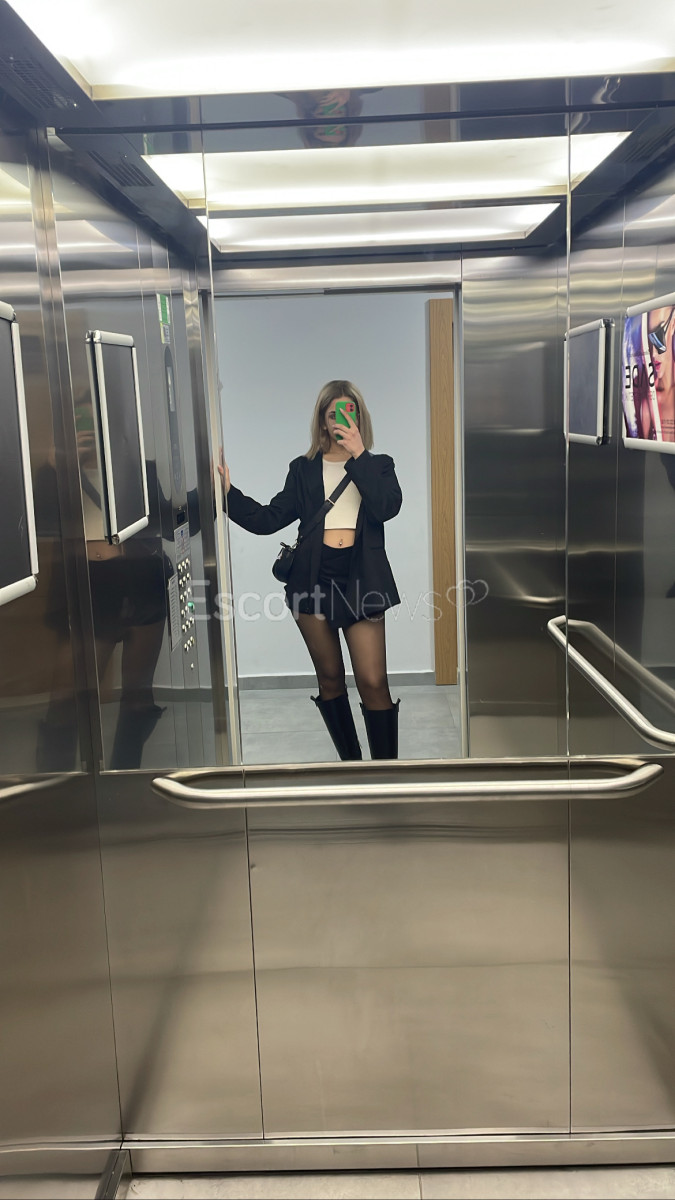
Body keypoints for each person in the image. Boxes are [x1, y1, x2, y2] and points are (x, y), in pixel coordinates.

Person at [220, 380, 402, 760]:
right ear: (322, 421)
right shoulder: (302, 470)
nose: (341, 420)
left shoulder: (379, 465)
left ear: (360, 418)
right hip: (312, 580)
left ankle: (387, 775)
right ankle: (352, 769)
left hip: (362, 580)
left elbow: (387, 508)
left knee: (373, 681)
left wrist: (359, 454)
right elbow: (269, 519)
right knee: (330, 679)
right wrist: (227, 494)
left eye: (349, 412)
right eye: (333, 414)